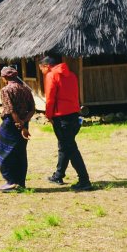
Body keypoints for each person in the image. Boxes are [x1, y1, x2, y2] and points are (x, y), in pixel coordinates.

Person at [39, 56, 93, 191]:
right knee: (65, 145)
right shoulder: (72, 76)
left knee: (70, 148)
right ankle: (58, 175)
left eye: (41, 69)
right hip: (74, 115)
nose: (42, 72)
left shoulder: (51, 76)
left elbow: (50, 98)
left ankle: (84, 180)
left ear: (46, 66)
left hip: (61, 117)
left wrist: (48, 115)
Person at [0, 66, 36, 192]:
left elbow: (11, 110)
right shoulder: (25, 89)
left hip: (11, 124)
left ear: (5, 77)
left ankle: (11, 181)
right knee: (20, 152)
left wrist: (19, 124)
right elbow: (32, 109)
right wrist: (24, 123)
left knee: (4, 152)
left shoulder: (6, 90)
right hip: (24, 121)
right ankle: (20, 182)